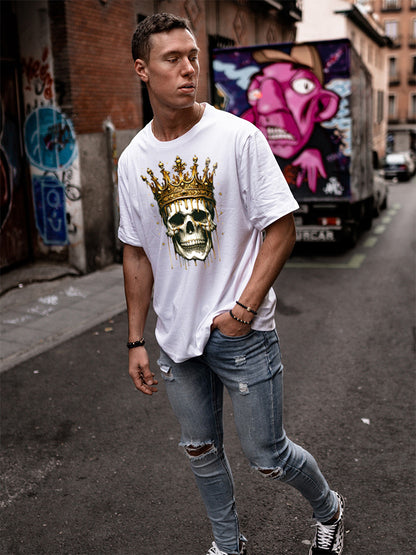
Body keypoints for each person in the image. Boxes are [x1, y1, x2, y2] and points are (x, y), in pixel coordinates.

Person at [118, 12, 345, 555]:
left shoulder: (237, 137)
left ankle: (330, 510)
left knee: (268, 457)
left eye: (193, 56)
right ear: (142, 69)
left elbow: (281, 228)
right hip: (176, 338)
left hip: (239, 332)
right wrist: (135, 339)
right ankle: (228, 544)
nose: (188, 68)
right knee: (200, 450)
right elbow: (136, 251)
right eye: (172, 59)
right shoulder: (132, 161)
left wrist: (243, 310)